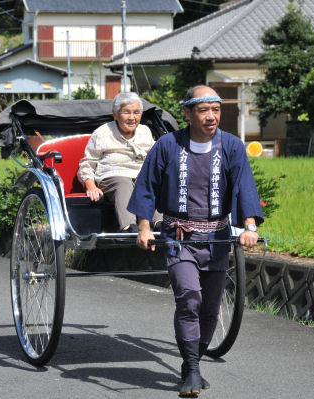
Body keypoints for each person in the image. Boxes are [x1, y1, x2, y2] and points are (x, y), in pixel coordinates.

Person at [127, 85, 263, 397]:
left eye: (216, 109)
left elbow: (244, 185)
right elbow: (147, 186)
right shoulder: (167, 145)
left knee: (210, 309)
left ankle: (193, 363)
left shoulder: (231, 146)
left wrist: (249, 225)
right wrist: (144, 227)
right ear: (188, 114)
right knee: (189, 298)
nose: (211, 116)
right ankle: (191, 366)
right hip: (178, 236)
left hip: (216, 237)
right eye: (204, 110)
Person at [77, 92, 161, 232]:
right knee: (123, 182)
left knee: (151, 180)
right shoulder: (102, 133)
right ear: (115, 114)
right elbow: (87, 163)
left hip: (140, 174)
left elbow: (155, 157)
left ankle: (159, 223)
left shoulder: (145, 131)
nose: (132, 118)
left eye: (136, 112)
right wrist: (90, 185)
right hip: (112, 176)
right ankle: (129, 227)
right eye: (126, 112)